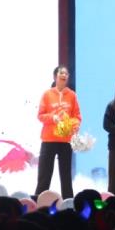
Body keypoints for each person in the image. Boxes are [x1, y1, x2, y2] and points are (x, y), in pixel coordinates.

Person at [35, 65, 81, 199]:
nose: (64, 75)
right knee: (44, 174)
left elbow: (77, 117)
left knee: (66, 175)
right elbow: (40, 115)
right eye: (61, 73)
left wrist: (73, 125)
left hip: (65, 141)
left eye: (66, 73)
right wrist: (53, 118)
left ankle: (69, 201)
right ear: (55, 76)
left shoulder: (72, 95)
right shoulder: (47, 94)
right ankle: (38, 200)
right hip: (48, 139)